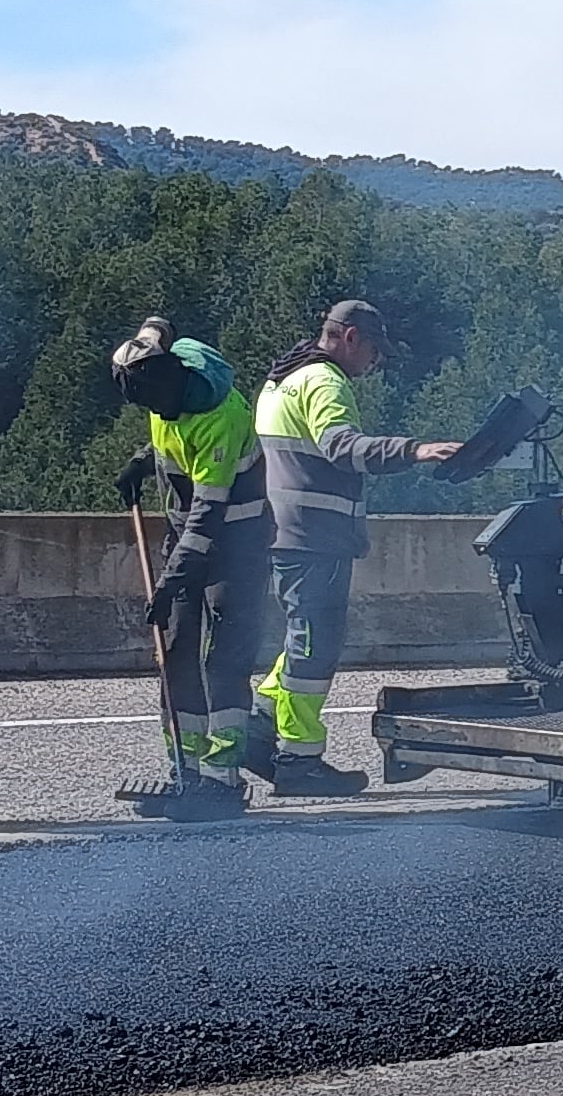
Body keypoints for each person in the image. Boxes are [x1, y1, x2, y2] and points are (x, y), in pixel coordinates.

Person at [247, 298, 465, 795]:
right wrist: (414, 450)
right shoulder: (325, 383)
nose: (376, 361)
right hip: (314, 537)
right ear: (349, 338)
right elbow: (343, 448)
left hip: (285, 533)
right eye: (373, 349)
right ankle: (300, 762)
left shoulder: (283, 377)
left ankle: (259, 727)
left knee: (300, 638)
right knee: (314, 649)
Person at [111, 318, 264, 816]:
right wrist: (142, 459)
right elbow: (156, 325)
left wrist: (171, 582)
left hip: (235, 540)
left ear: (170, 383)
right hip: (186, 535)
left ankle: (222, 777)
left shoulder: (220, 416)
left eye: (152, 402)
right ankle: (186, 768)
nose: (151, 411)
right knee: (175, 648)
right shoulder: (158, 370)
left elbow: (207, 515)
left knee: (222, 656)